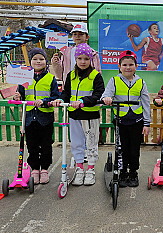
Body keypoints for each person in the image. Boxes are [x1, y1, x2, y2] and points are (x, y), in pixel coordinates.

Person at [51, 43, 105, 186]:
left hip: (90, 115)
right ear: (75, 59)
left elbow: (98, 94)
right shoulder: (71, 75)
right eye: (80, 58)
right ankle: (80, 169)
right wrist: (60, 99)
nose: (82, 61)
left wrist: (82, 101)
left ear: (90, 60)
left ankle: (91, 169)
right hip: (74, 115)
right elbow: (66, 92)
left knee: (91, 143)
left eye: (86, 59)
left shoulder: (96, 76)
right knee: (76, 143)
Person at [101, 50, 151, 187]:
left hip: (136, 121)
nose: (127, 67)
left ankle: (133, 172)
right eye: (124, 64)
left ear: (136, 66)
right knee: (121, 148)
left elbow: (146, 103)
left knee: (134, 149)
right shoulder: (114, 80)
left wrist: (147, 123)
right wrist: (106, 98)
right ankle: (122, 172)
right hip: (121, 121)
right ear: (119, 66)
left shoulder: (141, 82)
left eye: (131, 64)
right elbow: (106, 94)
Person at [13, 48, 60, 184]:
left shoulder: (50, 78)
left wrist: (45, 102)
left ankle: (44, 168)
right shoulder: (24, 78)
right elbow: (19, 96)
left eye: (41, 59)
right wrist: (17, 97)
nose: (38, 61)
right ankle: (34, 168)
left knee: (46, 144)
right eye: (35, 59)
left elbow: (55, 96)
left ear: (46, 61)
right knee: (32, 145)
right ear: (30, 61)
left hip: (45, 118)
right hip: (29, 118)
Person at [51, 22, 101, 90]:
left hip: (88, 89)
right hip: (69, 89)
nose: (77, 36)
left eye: (81, 34)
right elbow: (60, 75)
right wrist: (55, 63)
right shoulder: (65, 52)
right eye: (75, 34)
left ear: (87, 37)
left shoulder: (93, 53)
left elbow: (98, 74)